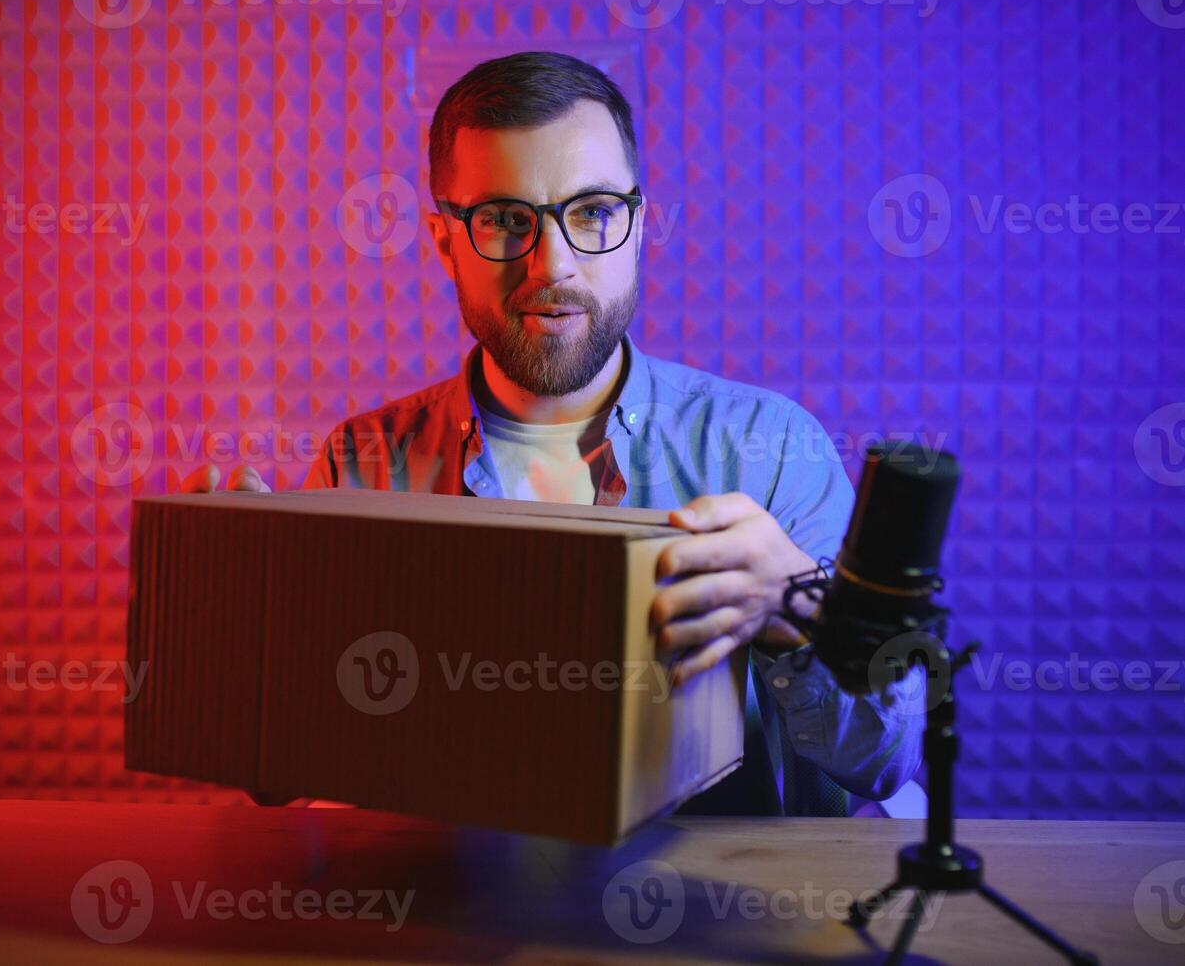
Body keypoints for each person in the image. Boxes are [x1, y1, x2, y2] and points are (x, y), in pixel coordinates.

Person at [185, 51, 922, 816]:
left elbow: (885, 760)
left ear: (636, 226)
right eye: (505, 221)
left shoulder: (768, 447)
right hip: (460, 919)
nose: (552, 265)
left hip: (715, 918)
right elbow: (287, 774)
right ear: (444, 244)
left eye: (593, 212)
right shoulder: (365, 462)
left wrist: (791, 614)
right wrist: (243, 627)